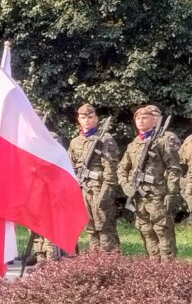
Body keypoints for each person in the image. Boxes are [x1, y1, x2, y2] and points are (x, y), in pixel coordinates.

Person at [118, 105, 182, 262]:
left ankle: (168, 267)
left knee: (162, 230)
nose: (140, 121)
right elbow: (121, 168)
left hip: (157, 195)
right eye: (138, 118)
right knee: (146, 231)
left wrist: (171, 193)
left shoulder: (161, 142)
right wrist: (125, 184)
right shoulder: (133, 145)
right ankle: (153, 265)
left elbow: (174, 169)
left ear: (154, 121)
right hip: (139, 197)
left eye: (145, 118)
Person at [67, 104, 120, 252]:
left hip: (99, 187)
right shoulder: (75, 142)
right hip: (82, 188)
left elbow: (110, 167)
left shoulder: (105, 139)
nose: (87, 120)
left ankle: (110, 258)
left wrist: (107, 190)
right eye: (83, 117)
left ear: (96, 119)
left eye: (90, 117)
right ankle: (95, 258)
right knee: (90, 226)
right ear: (79, 119)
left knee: (104, 224)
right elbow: (70, 165)